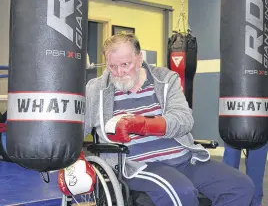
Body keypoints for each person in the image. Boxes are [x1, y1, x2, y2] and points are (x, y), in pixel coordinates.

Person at [84, 33, 255, 206]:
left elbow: (184, 119)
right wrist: (73, 159)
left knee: (241, 187)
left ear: (139, 58)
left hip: (184, 158)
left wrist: (142, 124)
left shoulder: (165, 79)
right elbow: (76, 129)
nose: (119, 72)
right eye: (112, 66)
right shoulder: (96, 90)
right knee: (180, 191)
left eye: (125, 65)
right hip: (138, 165)